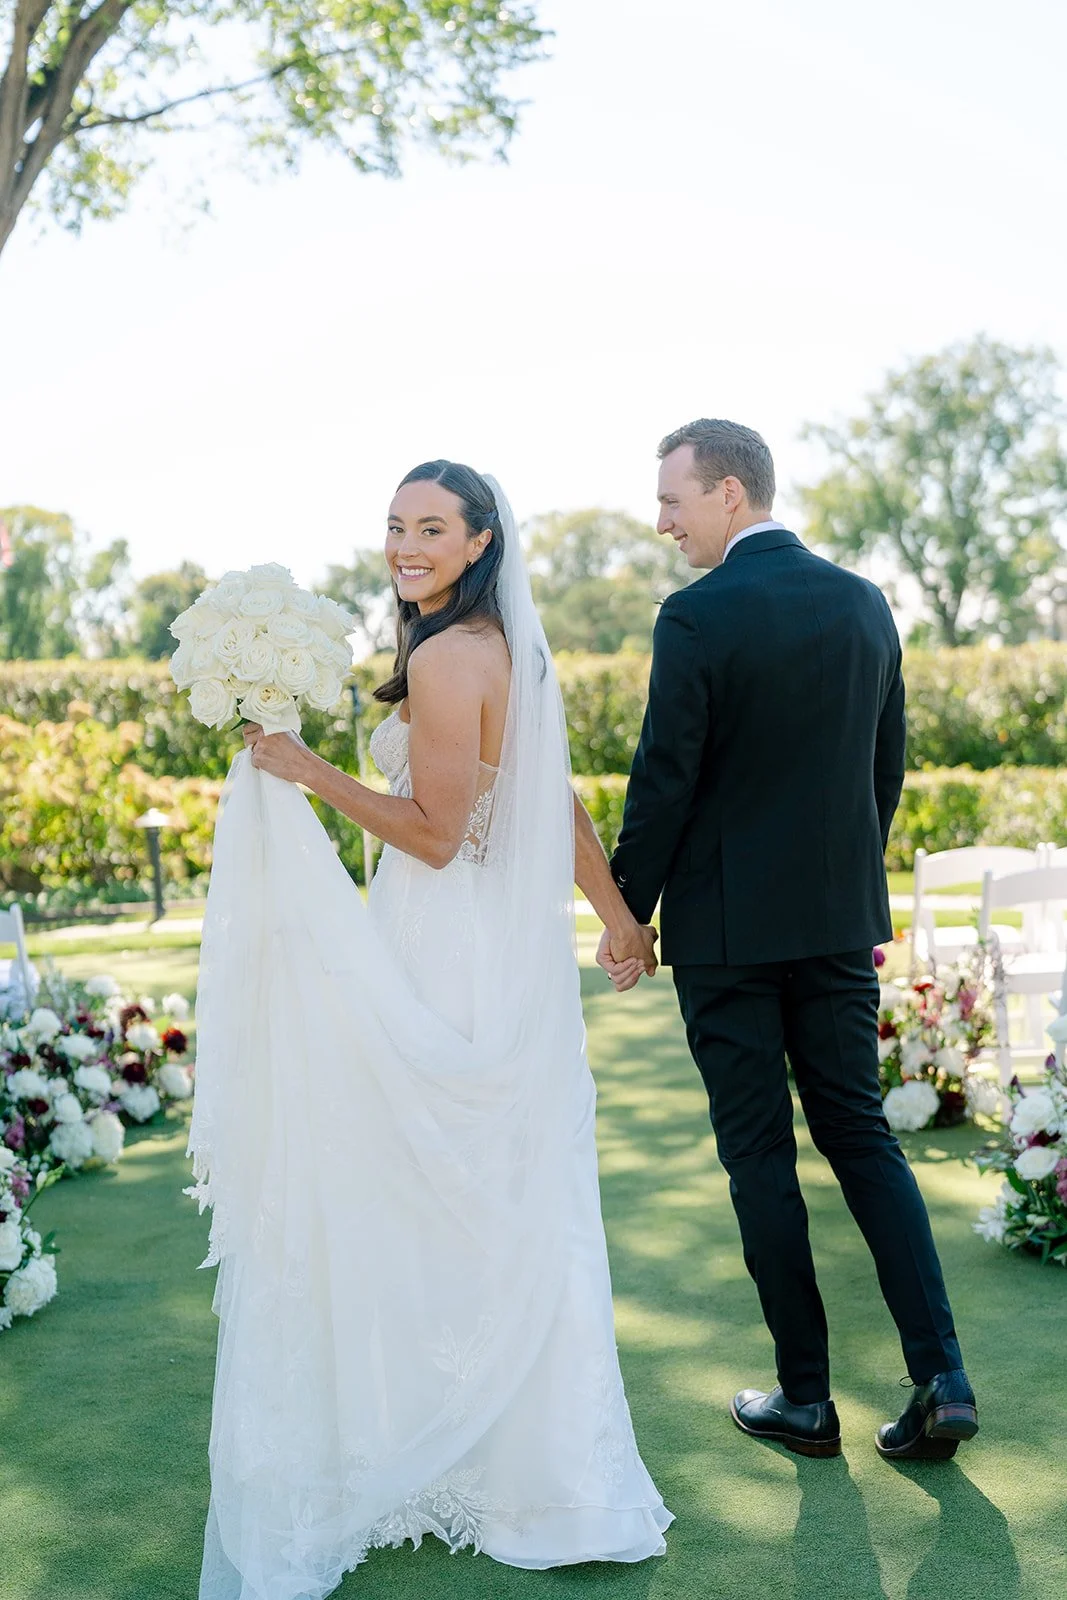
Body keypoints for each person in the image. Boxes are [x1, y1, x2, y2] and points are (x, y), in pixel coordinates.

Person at [190, 461, 670, 1600]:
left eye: (431, 528)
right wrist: (617, 921)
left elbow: (440, 832)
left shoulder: (454, 657)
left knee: (427, 1186)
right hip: (488, 958)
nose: (406, 545)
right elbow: (548, 797)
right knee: (498, 1197)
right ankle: (517, 1462)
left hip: (449, 955)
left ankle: (469, 1451)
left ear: (479, 540)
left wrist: (305, 771)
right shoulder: (497, 649)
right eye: (396, 525)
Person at [600, 418, 977, 1463]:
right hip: (833, 919)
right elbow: (882, 768)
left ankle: (804, 1399)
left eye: (672, 500)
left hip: (725, 935)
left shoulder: (693, 616)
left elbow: (662, 780)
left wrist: (627, 910)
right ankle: (940, 1374)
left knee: (759, 1154)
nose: (662, 521)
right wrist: (845, 884)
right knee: (860, 1135)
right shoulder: (864, 604)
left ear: (728, 493)